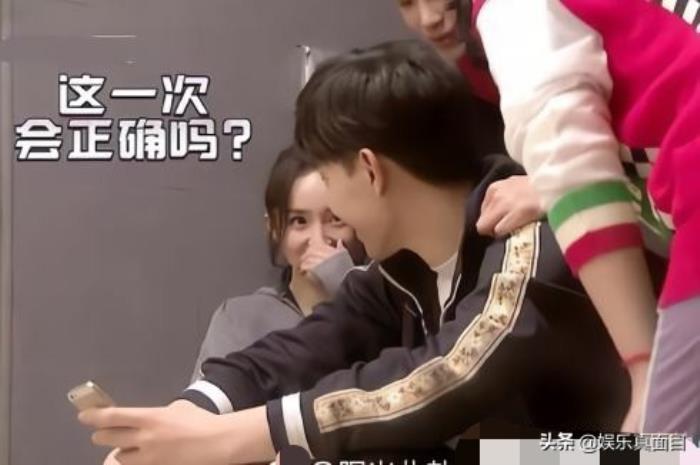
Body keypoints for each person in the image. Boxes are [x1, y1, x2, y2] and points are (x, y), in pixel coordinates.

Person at [80, 41, 633, 464]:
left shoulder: (530, 237)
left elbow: (447, 377)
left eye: (327, 179)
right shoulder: (399, 273)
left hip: (641, 450)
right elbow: (300, 350)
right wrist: (186, 417)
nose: (332, 212)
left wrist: (227, 440)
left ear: (370, 170)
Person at [395, 0, 697, 434]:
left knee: (662, 442)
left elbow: (569, 162)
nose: (429, 16)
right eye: (407, 2)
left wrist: (644, 364)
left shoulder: (510, 11)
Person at [191, 145, 366, 381]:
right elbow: (210, 400)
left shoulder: (391, 312)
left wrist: (347, 289)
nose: (318, 239)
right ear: (274, 228)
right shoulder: (240, 318)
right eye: (299, 221)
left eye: (335, 219)